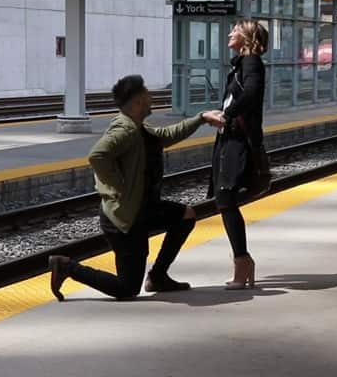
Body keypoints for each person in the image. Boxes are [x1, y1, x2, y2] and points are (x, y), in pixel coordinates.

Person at [49, 75, 225, 301]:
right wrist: (116, 187)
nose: (151, 98)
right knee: (127, 288)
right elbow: (97, 155)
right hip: (125, 218)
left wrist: (201, 118)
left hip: (143, 209)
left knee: (186, 216)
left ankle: (158, 276)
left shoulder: (140, 128)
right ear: (138, 101)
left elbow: (167, 135)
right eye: (148, 95)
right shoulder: (126, 130)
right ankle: (66, 266)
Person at [209, 19, 268, 290]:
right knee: (225, 199)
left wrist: (226, 114)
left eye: (235, 30)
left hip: (237, 141)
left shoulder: (251, 62)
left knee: (226, 198)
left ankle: (242, 262)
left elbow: (253, 95)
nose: (230, 33)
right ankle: (243, 262)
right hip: (231, 139)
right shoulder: (241, 64)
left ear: (247, 38)